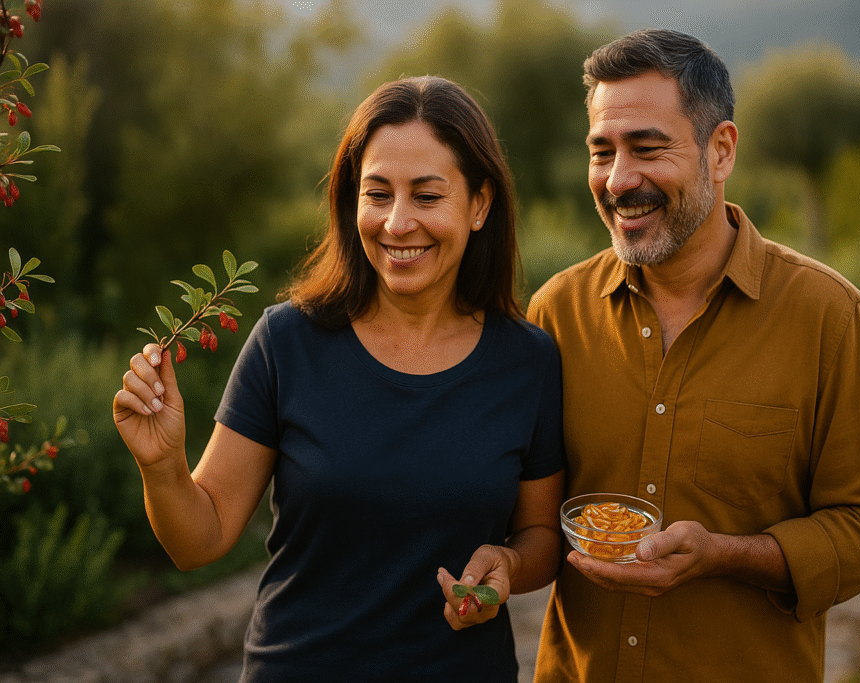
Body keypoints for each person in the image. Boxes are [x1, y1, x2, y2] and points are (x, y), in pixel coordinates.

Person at [113, 75, 565, 683]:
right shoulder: (287, 343)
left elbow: (541, 533)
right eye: (377, 193)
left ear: (480, 204)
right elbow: (199, 541)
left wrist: (509, 563)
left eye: (427, 196)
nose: (397, 223)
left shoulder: (528, 362)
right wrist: (162, 463)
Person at [527, 29, 860, 682]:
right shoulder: (556, 312)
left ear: (720, 150)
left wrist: (727, 554)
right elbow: (521, 508)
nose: (619, 180)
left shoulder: (829, 316)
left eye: (647, 148)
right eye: (602, 151)